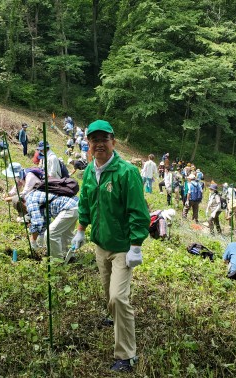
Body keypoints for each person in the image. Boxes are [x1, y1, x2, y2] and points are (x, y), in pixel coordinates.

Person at [71, 120, 150, 372]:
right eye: (94, 140)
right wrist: (81, 230)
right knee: (108, 293)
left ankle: (126, 356)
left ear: (113, 142)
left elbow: (139, 212)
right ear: (89, 145)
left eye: (104, 139)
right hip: (100, 244)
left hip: (123, 247)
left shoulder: (127, 173)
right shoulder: (88, 174)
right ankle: (113, 316)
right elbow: (85, 203)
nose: (99, 144)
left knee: (117, 297)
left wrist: (136, 245)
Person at [25, 188, 79, 259]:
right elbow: (44, 223)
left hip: (68, 207)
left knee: (50, 234)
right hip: (76, 204)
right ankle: (69, 256)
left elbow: (37, 223)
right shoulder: (38, 196)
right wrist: (39, 244)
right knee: (66, 233)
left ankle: (57, 260)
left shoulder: (30, 200)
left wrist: (33, 240)